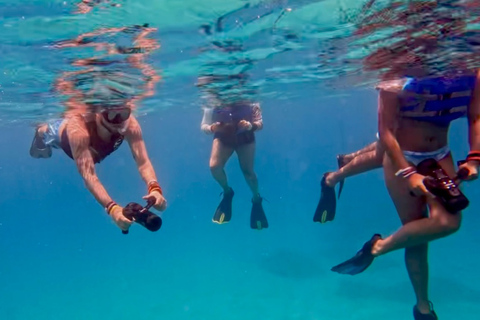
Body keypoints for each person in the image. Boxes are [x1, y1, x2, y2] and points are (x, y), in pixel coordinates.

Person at [329, 71, 480, 320]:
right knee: (416, 234)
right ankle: (422, 307)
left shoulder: (471, 69)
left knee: (447, 222)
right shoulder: (396, 69)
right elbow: (385, 132)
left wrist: (475, 158)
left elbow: (476, 117)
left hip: (439, 154)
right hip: (403, 158)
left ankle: (377, 248)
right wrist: (409, 173)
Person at [199, 82, 268, 230]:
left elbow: (260, 123)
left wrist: (250, 126)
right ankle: (227, 192)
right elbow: (204, 125)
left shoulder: (250, 95)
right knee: (214, 167)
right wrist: (212, 128)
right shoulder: (212, 97)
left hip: (245, 136)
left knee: (248, 173)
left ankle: (256, 199)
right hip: (223, 136)